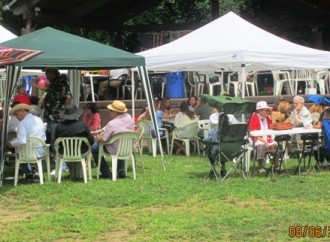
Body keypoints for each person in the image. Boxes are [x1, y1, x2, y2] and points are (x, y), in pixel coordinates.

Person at [35, 68, 72, 160]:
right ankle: (55, 156)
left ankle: (58, 158)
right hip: (51, 116)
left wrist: (64, 112)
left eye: (47, 72)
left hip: (57, 116)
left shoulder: (61, 82)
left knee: (56, 138)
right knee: (52, 137)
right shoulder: (54, 83)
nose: (46, 75)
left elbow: (68, 97)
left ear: (53, 73)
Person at [92, 100, 134, 178]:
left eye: (110, 110)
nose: (109, 112)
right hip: (128, 148)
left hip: (115, 148)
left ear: (115, 112)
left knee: (95, 148)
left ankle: (106, 173)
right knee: (118, 142)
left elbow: (104, 140)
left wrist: (98, 138)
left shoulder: (112, 123)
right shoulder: (129, 117)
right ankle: (120, 170)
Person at [7, 103, 47, 182]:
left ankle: (28, 173)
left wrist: (11, 144)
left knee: (19, 149)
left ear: (22, 112)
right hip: (40, 151)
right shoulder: (38, 120)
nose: (16, 117)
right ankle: (37, 173)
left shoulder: (23, 123)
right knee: (41, 151)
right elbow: (43, 137)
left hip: (27, 154)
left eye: (16, 114)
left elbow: (22, 140)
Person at [55, 104, 94, 179]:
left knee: (67, 150)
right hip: (81, 152)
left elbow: (55, 141)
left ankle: (74, 173)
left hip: (64, 152)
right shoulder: (82, 125)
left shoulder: (59, 126)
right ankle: (77, 174)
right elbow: (91, 141)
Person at [204, 107, 238, 177]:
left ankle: (213, 169)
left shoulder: (214, 131)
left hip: (217, 154)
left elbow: (206, 140)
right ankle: (223, 169)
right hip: (231, 153)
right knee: (222, 147)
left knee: (209, 148)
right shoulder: (232, 132)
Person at [249, 101, 279, 173]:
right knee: (262, 146)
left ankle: (276, 166)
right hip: (256, 138)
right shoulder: (253, 118)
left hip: (266, 138)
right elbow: (254, 134)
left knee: (275, 145)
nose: (267, 112)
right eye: (266, 110)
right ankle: (260, 167)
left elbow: (273, 126)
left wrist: (271, 115)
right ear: (259, 111)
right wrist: (264, 142)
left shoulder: (267, 118)